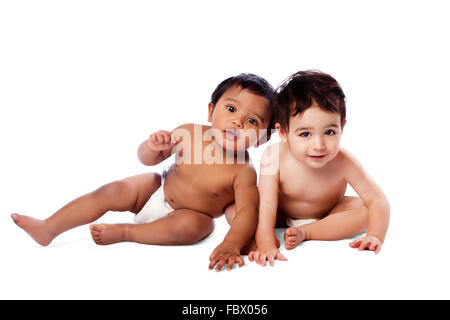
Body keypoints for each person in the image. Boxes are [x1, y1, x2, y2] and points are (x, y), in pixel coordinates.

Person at [11, 73, 275, 272]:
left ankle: (126, 232)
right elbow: (146, 160)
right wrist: (152, 147)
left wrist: (231, 243)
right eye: (231, 109)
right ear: (210, 111)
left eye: (252, 121)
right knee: (115, 190)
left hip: (189, 215)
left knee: (198, 226)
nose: (238, 121)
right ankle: (49, 228)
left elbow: (247, 212)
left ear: (261, 138)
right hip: (158, 190)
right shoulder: (189, 133)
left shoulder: (244, 171)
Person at [249, 70, 390, 267]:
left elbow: (377, 199)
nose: (319, 145)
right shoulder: (274, 156)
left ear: (343, 127)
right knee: (246, 209)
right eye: (305, 134)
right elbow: (267, 204)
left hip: (328, 213)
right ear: (283, 132)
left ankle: (308, 232)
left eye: (330, 132)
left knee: (366, 212)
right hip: (280, 213)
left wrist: (375, 236)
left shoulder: (344, 161)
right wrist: (265, 240)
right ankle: (292, 230)